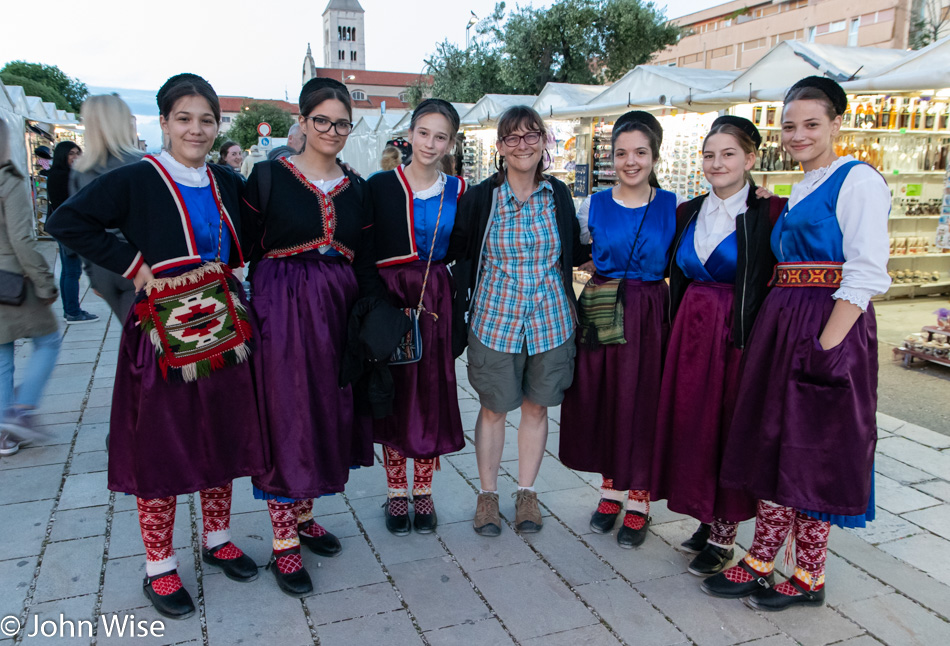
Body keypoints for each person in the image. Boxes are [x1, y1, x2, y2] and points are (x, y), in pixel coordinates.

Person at [47, 73, 268, 620]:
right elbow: (66, 221)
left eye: (207, 119)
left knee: (222, 433)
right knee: (163, 446)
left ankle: (217, 537)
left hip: (223, 328)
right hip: (163, 334)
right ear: (164, 122)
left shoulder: (224, 179)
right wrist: (135, 267)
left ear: (218, 126)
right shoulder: (139, 178)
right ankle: (159, 565)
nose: (196, 129)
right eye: (185, 118)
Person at [702, 77, 890, 611]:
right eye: (789, 125)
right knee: (772, 439)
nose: (799, 134)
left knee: (812, 450)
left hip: (826, 325)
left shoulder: (857, 181)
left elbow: (867, 273)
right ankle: (762, 557)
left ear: (836, 123)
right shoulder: (803, 185)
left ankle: (809, 573)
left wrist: (827, 348)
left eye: (811, 123)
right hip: (783, 324)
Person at [242, 77, 380, 596]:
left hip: (337, 312)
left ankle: (302, 517)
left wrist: (369, 317)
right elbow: (245, 247)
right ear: (301, 122)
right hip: (282, 310)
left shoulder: (358, 188)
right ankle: (283, 544)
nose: (332, 131)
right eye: (320, 120)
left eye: (341, 123)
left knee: (325, 413)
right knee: (287, 418)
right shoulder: (267, 179)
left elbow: (365, 262)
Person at [651, 116, 786, 575]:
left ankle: (726, 534)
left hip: (736, 336)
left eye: (728, 154)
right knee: (693, 425)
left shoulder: (769, 213)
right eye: (709, 155)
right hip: (689, 331)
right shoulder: (687, 212)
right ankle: (707, 519)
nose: (716, 163)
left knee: (727, 429)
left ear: (750, 159)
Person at [448, 106, 587, 537]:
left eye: (531, 136)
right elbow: (456, 249)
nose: (522, 145)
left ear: (544, 142)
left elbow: (575, 251)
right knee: (492, 409)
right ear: (500, 147)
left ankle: (527, 492)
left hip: (550, 320)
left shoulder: (558, 195)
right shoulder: (479, 198)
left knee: (536, 408)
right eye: (512, 138)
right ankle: (487, 496)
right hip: (495, 320)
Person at [559, 111, 682, 549]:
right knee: (604, 397)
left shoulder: (675, 205)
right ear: (611, 158)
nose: (631, 161)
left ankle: (640, 499)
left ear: (654, 156)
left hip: (649, 310)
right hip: (601, 306)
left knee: (643, 401)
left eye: (640, 153)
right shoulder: (593, 204)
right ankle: (610, 490)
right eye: (622, 153)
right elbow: (574, 251)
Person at [367, 99, 466, 536]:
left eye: (440, 136)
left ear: (450, 143)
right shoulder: (379, 186)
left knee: (429, 394)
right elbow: (365, 251)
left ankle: (422, 491)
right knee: (394, 391)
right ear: (410, 134)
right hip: (391, 298)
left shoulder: (459, 190)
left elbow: (465, 248)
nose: (430, 143)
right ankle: (395, 491)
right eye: (423, 132)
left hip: (435, 302)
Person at [0, 119, 62, 454]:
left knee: (1, 356)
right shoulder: (7, 181)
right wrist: (44, 283)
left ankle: (3, 431)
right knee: (49, 341)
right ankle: (21, 412)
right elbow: (23, 240)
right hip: (10, 280)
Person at [69, 94, 144, 322]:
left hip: (104, 268)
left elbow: (76, 230)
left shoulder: (80, 171)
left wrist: (91, 273)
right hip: (139, 264)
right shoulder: (142, 165)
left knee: (133, 340)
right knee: (150, 346)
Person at [48, 141, 99, 324]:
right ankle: (73, 312)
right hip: (68, 229)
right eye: (71, 153)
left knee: (68, 270)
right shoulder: (63, 176)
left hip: (65, 228)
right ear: (63, 155)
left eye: (78, 153)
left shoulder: (59, 174)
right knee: (72, 271)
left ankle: (70, 309)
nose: (76, 157)